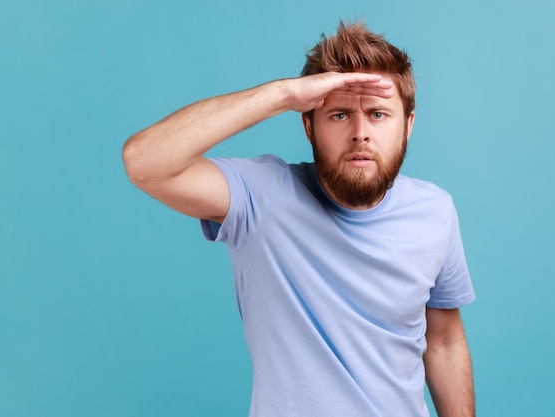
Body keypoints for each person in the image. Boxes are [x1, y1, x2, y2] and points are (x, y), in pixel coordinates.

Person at [123, 21, 476, 417]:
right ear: (308, 124)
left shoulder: (436, 212)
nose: (360, 133)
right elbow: (144, 162)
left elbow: (444, 340)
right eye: (339, 115)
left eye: (378, 114)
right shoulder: (262, 196)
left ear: (408, 126)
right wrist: (284, 93)